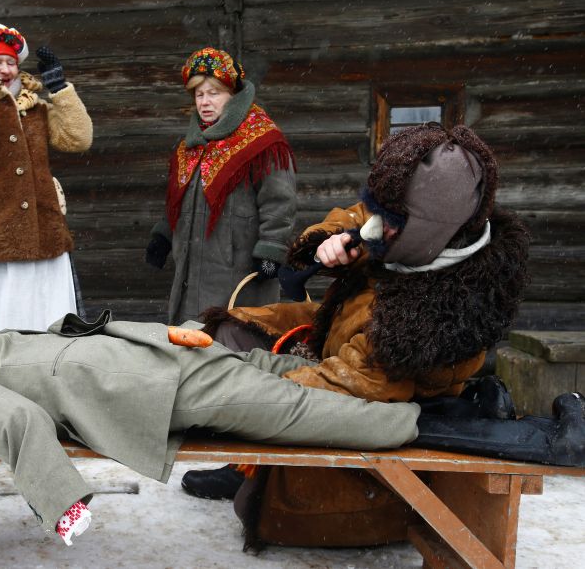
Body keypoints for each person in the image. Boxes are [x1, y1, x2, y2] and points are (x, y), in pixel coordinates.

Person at [180, 123, 537, 548]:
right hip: (341, 342)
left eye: (388, 222)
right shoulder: (424, 228)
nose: (371, 226)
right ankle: (246, 461)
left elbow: (345, 387)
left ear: (427, 230)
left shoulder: (427, 321)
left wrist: (234, 389)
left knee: (257, 504)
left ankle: (256, 470)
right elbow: (361, 215)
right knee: (230, 331)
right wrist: (336, 240)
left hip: (366, 447)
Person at [0, 313, 421, 547]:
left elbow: (12, 419)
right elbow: (40, 340)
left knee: (295, 414)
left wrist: (63, 505)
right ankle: (428, 384)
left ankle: (426, 419)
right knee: (290, 374)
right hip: (141, 345)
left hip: (130, 381)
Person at [146, 47, 297, 325]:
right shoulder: (190, 145)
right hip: (190, 272)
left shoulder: (261, 141)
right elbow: (178, 199)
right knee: (189, 342)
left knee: (233, 343)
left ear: (232, 94)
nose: (205, 102)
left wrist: (272, 250)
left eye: (213, 93)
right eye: (199, 94)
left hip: (236, 270)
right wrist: (164, 235)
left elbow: (280, 201)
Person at [0, 23, 93, 331]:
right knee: (1, 324)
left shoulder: (36, 108)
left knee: (52, 320)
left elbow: (78, 138)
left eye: (10, 62)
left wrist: (59, 89)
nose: (5, 69)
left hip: (46, 228)